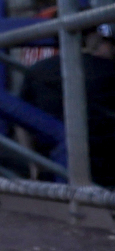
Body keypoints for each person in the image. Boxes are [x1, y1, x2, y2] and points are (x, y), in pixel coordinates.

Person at [18, 23, 115, 187]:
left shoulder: (36, 70)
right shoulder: (108, 69)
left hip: (53, 171)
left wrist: (33, 164)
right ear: (92, 38)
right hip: (106, 173)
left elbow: (21, 122)